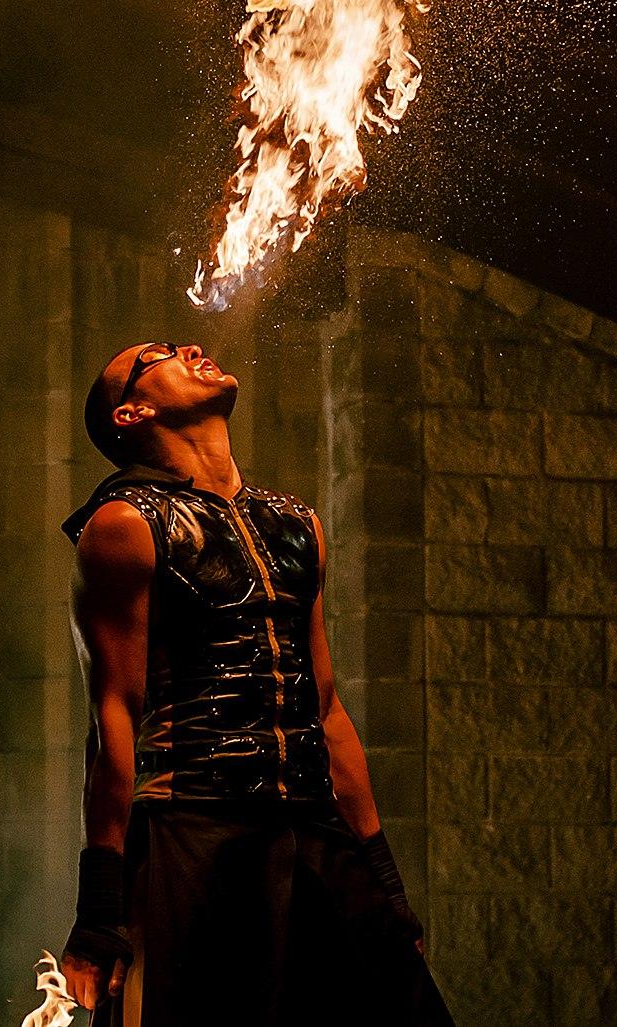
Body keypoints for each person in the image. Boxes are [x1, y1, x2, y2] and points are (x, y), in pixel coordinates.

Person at [59, 339, 455, 1027]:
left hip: (312, 827)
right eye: (159, 355)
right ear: (132, 411)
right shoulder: (122, 525)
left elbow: (326, 711)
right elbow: (113, 719)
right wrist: (100, 908)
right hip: (193, 831)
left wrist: (382, 876)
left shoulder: (296, 523)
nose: (190, 347)